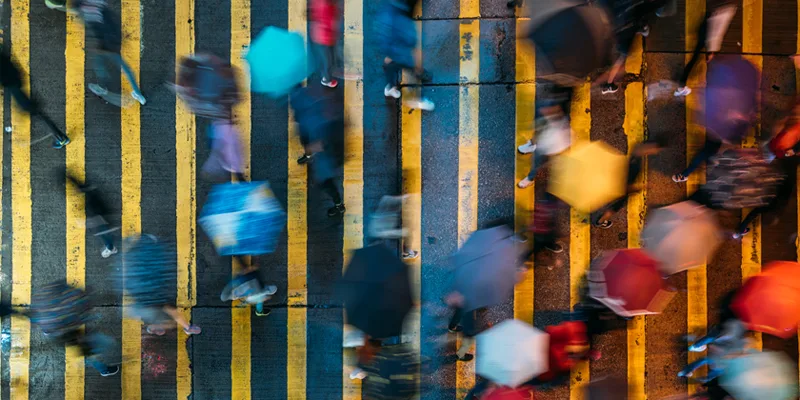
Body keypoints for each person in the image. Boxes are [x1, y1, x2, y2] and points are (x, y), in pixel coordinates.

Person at [74, 0, 146, 106]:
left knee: (99, 64)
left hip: (105, 44)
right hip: (115, 38)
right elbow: (111, 18)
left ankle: (102, 87)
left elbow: (97, 30)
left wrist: (97, 47)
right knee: (125, 68)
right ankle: (138, 93)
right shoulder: (98, 3)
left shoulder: (87, 14)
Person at [290, 85, 346, 217]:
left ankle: (339, 205)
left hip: (326, 158)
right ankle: (309, 157)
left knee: (326, 183)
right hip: (312, 136)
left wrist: (311, 148)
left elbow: (325, 143)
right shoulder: (307, 97)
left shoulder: (329, 124)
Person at [0, 50, 70, 148]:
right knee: (35, 111)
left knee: (36, 113)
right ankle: (60, 137)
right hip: (14, 78)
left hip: (12, 84)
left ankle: (61, 138)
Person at [376, 0, 435, 111]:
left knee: (390, 61)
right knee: (414, 68)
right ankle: (416, 99)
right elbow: (410, 41)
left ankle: (390, 87)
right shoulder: (402, 22)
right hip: (399, 43)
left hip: (391, 37)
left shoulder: (391, 10)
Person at [592, 138, 665, 228]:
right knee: (613, 208)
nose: (655, 152)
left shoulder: (635, 155)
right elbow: (626, 187)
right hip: (620, 191)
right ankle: (600, 221)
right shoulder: (635, 162)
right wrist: (642, 187)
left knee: (611, 205)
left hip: (615, 184)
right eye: (655, 149)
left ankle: (600, 217)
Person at [673, 0, 737, 97]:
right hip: (708, 34)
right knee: (700, 61)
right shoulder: (727, 10)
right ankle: (682, 85)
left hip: (707, 30)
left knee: (696, 59)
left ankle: (682, 84)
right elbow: (717, 30)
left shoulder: (726, 9)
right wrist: (711, 50)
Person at [65, 171, 118, 258]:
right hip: (100, 213)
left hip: (99, 215)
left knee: (103, 232)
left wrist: (85, 223)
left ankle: (111, 248)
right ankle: (111, 248)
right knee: (103, 231)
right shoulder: (89, 193)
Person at [517, 110, 571, 188]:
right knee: (540, 128)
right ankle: (533, 144)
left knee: (539, 159)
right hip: (553, 113)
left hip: (554, 139)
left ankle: (530, 178)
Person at [367, 194, 418, 259]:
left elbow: (386, 198)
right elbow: (389, 233)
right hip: (383, 232)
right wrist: (403, 232)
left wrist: (403, 198)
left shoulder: (384, 208)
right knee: (407, 233)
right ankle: (407, 252)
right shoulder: (378, 231)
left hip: (385, 227)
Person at [310, 0, 339, 88]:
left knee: (328, 58)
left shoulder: (319, 2)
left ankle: (327, 76)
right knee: (328, 60)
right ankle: (327, 79)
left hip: (320, 35)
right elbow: (329, 23)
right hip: (325, 38)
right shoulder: (326, 6)